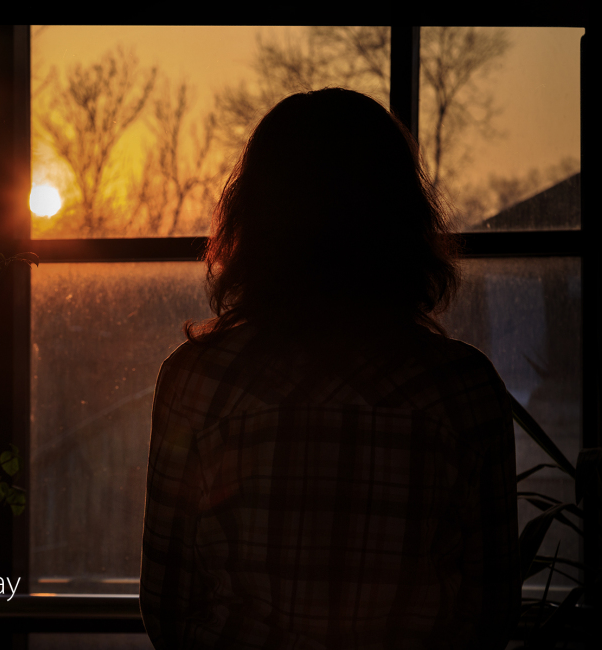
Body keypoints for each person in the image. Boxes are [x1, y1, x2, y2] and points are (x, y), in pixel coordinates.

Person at [140, 88, 520, 649]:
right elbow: (491, 611)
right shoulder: (461, 389)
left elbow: (169, 605)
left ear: (256, 218)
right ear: (401, 218)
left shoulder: (197, 382)